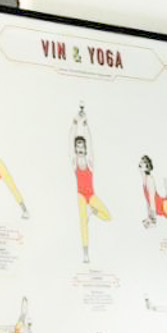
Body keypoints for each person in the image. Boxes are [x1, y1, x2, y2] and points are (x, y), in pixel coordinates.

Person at [71, 104, 110, 262]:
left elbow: (91, 143)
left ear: (85, 149)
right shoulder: (74, 162)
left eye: (82, 147)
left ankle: (92, 212)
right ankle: (85, 253)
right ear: (75, 149)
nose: (80, 149)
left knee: (108, 216)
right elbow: (70, 140)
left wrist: (86, 125)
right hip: (81, 195)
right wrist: (75, 122)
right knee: (83, 223)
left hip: (91, 196)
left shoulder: (90, 162)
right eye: (77, 147)